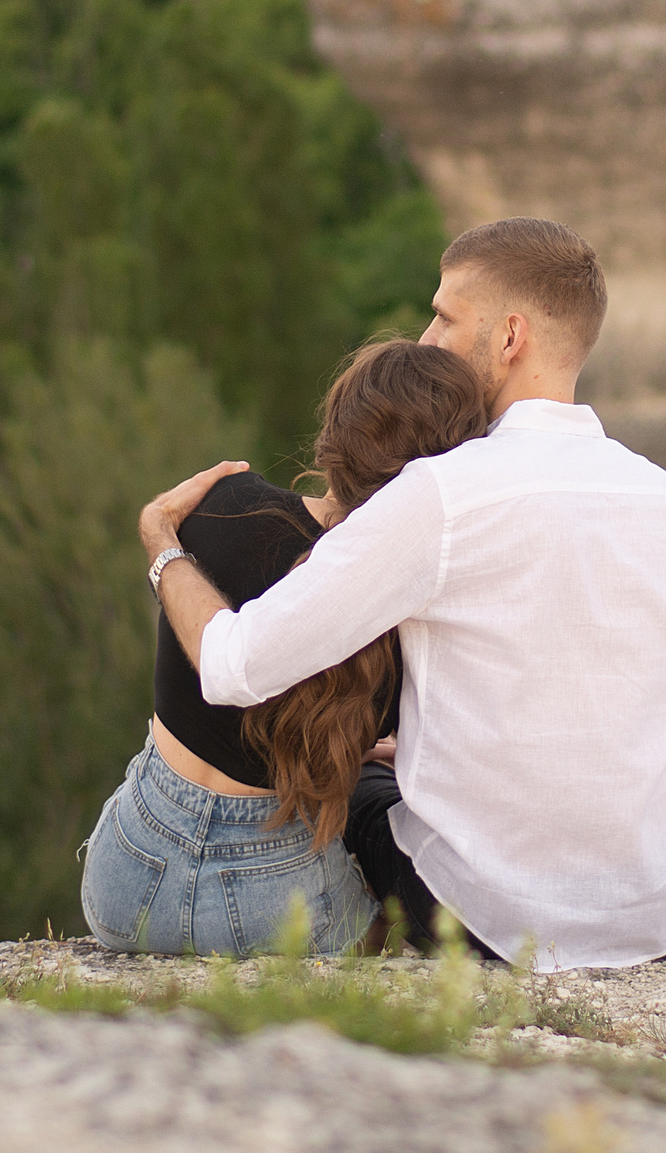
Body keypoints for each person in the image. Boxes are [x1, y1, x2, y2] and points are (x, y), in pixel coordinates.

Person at [139, 218, 666, 974]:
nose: (428, 338)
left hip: (481, 916)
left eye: (444, 316)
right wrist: (639, 890)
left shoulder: (440, 494)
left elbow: (234, 664)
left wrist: (164, 548)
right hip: (654, 911)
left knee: (358, 781)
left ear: (510, 336)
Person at [81, 340, 491, 955]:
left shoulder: (224, 506)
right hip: (276, 905)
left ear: (333, 436)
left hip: (126, 880)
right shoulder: (406, 624)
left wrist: (157, 533)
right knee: (386, 924)